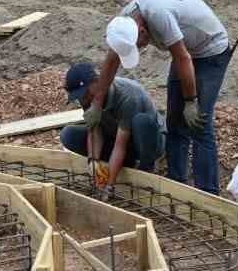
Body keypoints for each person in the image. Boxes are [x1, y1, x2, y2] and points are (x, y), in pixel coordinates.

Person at [94, 0, 231, 194]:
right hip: (185, 50)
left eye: (138, 45)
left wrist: (191, 102)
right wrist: (97, 103)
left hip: (210, 49)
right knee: (175, 121)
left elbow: (183, 58)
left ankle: (208, 193)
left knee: (198, 124)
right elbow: (111, 60)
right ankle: (175, 185)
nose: (140, 49)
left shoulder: (159, 16)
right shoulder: (123, 25)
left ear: (141, 30)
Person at [58, 61, 164, 195]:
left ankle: (146, 168)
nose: (83, 99)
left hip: (148, 142)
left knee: (141, 122)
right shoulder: (88, 97)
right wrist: (93, 161)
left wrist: (110, 185)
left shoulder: (128, 96)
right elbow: (95, 129)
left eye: (84, 93)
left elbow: (120, 145)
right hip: (118, 139)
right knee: (69, 134)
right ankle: (126, 164)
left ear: (96, 81)